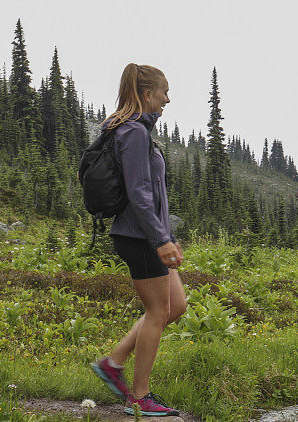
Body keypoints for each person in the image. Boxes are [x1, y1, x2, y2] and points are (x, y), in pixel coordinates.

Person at [90, 63, 187, 417]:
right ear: (147, 94)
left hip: (150, 233)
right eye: (163, 92)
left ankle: (112, 364)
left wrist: (168, 236)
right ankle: (139, 396)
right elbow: (139, 192)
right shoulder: (132, 132)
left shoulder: (138, 130)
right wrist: (160, 238)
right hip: (139, 235)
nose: (167, 99)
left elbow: (153, 193)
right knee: (157, 312)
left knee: (175, 305)